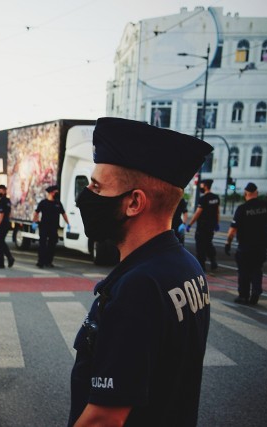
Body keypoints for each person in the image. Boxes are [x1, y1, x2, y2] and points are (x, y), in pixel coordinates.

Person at [69, 117, 212, 427]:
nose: (86, 197)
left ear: (134, 202)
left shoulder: (138, 286)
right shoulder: (187, 266)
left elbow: (104, 419)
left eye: (96, 186)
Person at [225, 182, 267, 305]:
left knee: (243, 271)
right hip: (261, 246)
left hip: (245, 246)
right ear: (257, 193)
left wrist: (228, 243)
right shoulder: (265, 206)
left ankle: (243, 296)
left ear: (245, 194)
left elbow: (232, 230)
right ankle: (256, 291)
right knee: (257, 269)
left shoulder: (242, 209)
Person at [32, 185, 69, 268]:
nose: (57, 193)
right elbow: (36, 213)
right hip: (44, 227)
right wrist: (34, 222)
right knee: (42, 245)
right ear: (51, 193)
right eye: (56, 192)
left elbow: (63, 214)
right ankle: (41, 262)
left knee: (52, 245)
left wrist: (68, 223)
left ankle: (49, 261)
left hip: (53, 227)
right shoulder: (43, 203)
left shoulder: (58, 203)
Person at [187, 179, 220, 271]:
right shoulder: (215, 197)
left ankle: (202, 266)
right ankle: (213, 261)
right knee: (209, 243)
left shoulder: (203, 199)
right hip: (211, 226)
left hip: (202, 226)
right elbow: (217, 212)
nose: (200, 187)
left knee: (200, 246)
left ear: (205, 186)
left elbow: (197, 213)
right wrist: (217, 223)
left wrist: (189, 224)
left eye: (201, 185)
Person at [0, 184, 15, 269]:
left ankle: (1, 262)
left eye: (1, 190)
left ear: (5, 191)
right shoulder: (7, 201)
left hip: (1, 225)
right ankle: (9, 258)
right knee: (1, 242)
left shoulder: (2, 201)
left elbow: (1, 214)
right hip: (5, 224)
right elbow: (7, 213)